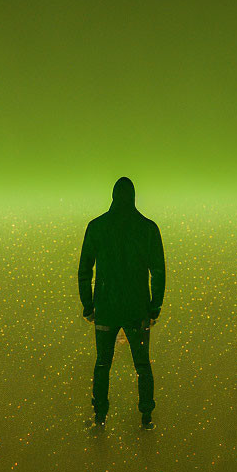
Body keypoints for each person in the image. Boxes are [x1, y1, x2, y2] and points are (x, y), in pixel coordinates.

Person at [78, 177, 166, 429]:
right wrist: (154, 307)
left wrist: (88, 305)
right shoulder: (148, 229)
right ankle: (146, 417)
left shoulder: (96, 227)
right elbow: (157, 271)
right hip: (137, 309)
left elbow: (85, 270)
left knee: (103, 363)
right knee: (142, 364)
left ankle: (100, 416)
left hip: (105, 308)